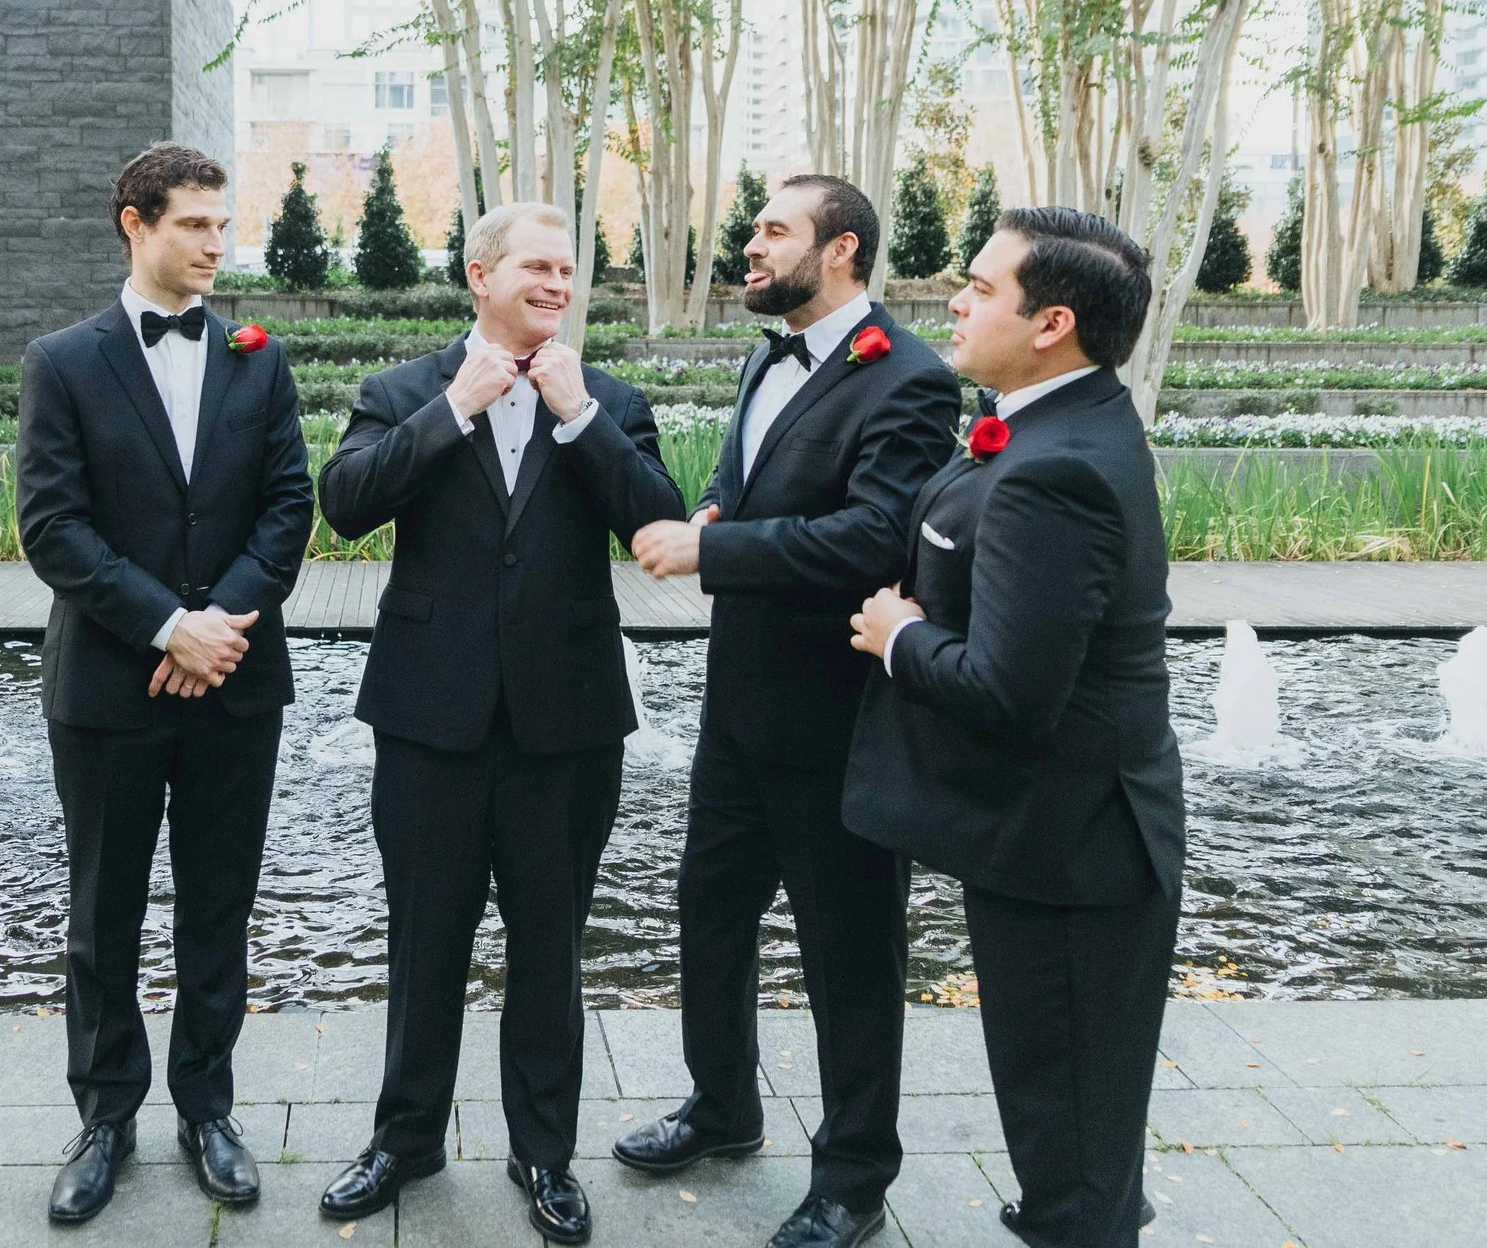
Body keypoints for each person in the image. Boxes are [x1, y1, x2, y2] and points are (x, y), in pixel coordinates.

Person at [313, 202, 686, 1245]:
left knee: (550, 947)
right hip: (429, 718)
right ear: (480, 274)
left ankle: (544, 1152)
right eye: (539, 266)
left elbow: (656, 518)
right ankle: (404, 1140)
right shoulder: (403, 390)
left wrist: (580, 417)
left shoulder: (609, 399)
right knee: (423, 940)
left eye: (568, 270)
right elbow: (343, 501)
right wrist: (453, 409)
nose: (558, 284)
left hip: (566, 725)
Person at [617, 175, 959, 1248]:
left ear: (841, 248)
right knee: (708, 914)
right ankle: (723, 1105)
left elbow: (873, 536)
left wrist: (711, 547)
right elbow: (752, 482)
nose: (751, 245)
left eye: (774, 230)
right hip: (738, 712)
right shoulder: (765, 357)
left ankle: (854, 1175)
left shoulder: (910, 377)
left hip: (840, 723)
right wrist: (717, 506)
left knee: (848, 957)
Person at [844, 206, 1183, 1248]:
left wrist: (899, 636)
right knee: (1072, 1114)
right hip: (1063, 835)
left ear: (1052, 324)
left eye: (981, 287)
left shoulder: (1056, 467)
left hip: (1074, 851)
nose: (955, 301)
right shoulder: (1060, 422)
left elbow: (1009, 690)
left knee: (1068, 1122)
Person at [15, 144, 312, 1225]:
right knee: (103, 910)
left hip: (234, 679)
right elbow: (53, 526)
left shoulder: (257, 357)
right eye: (194, 223)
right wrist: (166, 625)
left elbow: (288, 504)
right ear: (134, 224)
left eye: (222, 224)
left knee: (219, 907)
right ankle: (104, 1117)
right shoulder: (62, 360)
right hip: (109, 682)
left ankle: (207, 1107)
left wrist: (216, 626)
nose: (215, 243)